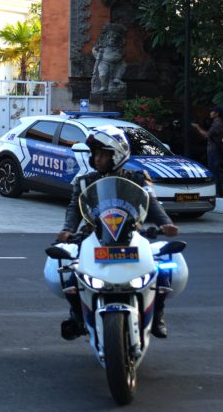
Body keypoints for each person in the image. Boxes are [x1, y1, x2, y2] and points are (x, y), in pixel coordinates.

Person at [56, 125, 179, 338]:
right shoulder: (85, 181)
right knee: (70, 272)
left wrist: (165, 224)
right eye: (96, 154)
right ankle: (76, 314)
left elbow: (152, 203)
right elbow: (75, 208)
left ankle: (157, 314)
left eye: (103, 154)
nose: (97, 159)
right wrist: (67, 230)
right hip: (95, 236)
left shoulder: (138, 178)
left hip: (132, 235)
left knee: (163, 268)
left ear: (117, 154)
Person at [192, 105, 223, 198]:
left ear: (217, 114)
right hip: (213, 149)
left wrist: (198, 127)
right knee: (215, 171)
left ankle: (218, 193)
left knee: (214, 170)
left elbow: (207, 135)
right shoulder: (215, 122)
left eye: (212, 112)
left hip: (214, 150)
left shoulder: (217, 124)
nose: (210, 113)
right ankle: (220, 193)